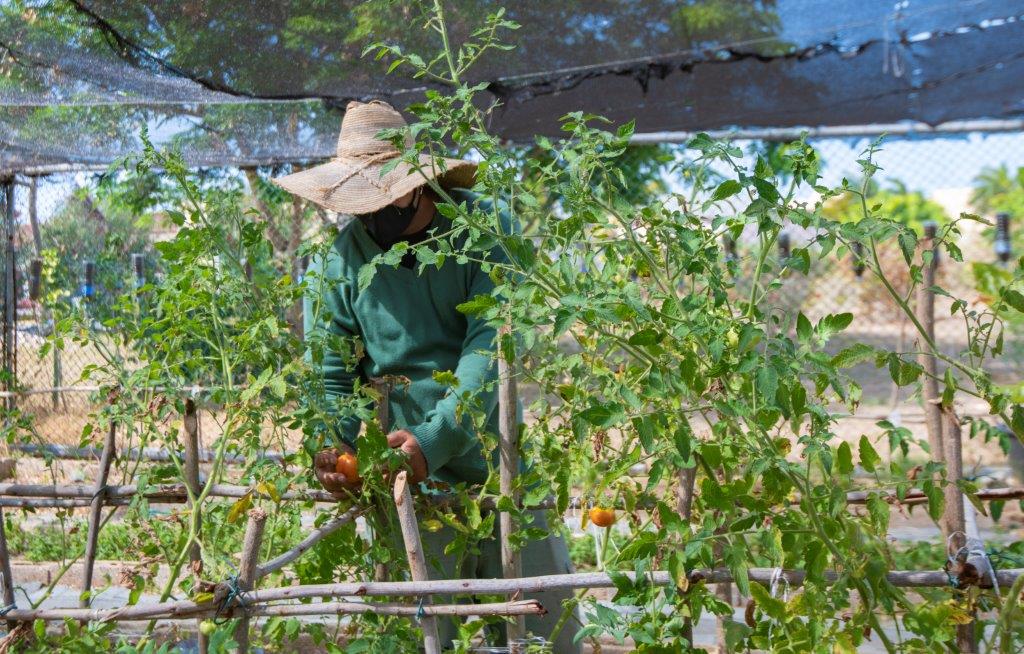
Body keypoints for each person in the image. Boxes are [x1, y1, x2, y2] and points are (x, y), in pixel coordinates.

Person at [273, 100, 580, 652]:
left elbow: (493, 349)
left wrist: (436, 436)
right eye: (358, 203)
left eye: (381, 197)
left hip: (498, 466)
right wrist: (332, 445)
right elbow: (331, 376)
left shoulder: (484, 231)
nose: (369, 215)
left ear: (418, 186)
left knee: (545, 630)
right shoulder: (336, 264)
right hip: (404, 482)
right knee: (420, 635)